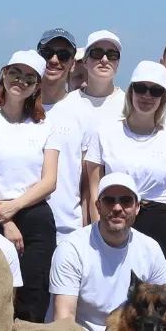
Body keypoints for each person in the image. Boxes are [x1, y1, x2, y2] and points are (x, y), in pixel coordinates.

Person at [81, 60, 166, 277]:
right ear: (130, 91)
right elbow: (94, 191)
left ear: (163, 97)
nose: (147, 96)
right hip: (115, 220)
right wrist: (97, 234)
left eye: (155, 91)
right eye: (141, 88)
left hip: (160, 225)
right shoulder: (104, 133)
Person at [49, 172, 166, 331]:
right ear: (98, 206)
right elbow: (64, 320)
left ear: (137, 207)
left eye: (126, 201)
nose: (117, 208)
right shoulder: (71, 248)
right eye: (109, 200)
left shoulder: (150, 248)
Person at [0, 53, 58, 322]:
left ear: (37, 86)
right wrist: (4, 219)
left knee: (32, 298)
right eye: (15, 73)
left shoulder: (45, 125)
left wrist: (15, 207)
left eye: (29, 78)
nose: (20, 81)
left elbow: (49, 181)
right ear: (3, 73)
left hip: (34, 216)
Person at [42, 31, 123, 240]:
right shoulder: (71, 104)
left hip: (84, 222)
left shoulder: (127, 105)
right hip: (36, 221)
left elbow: (89, 181)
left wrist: (92, 231)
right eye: (97, 53)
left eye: (112, 55)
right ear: (84, 61)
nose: (104, 59)